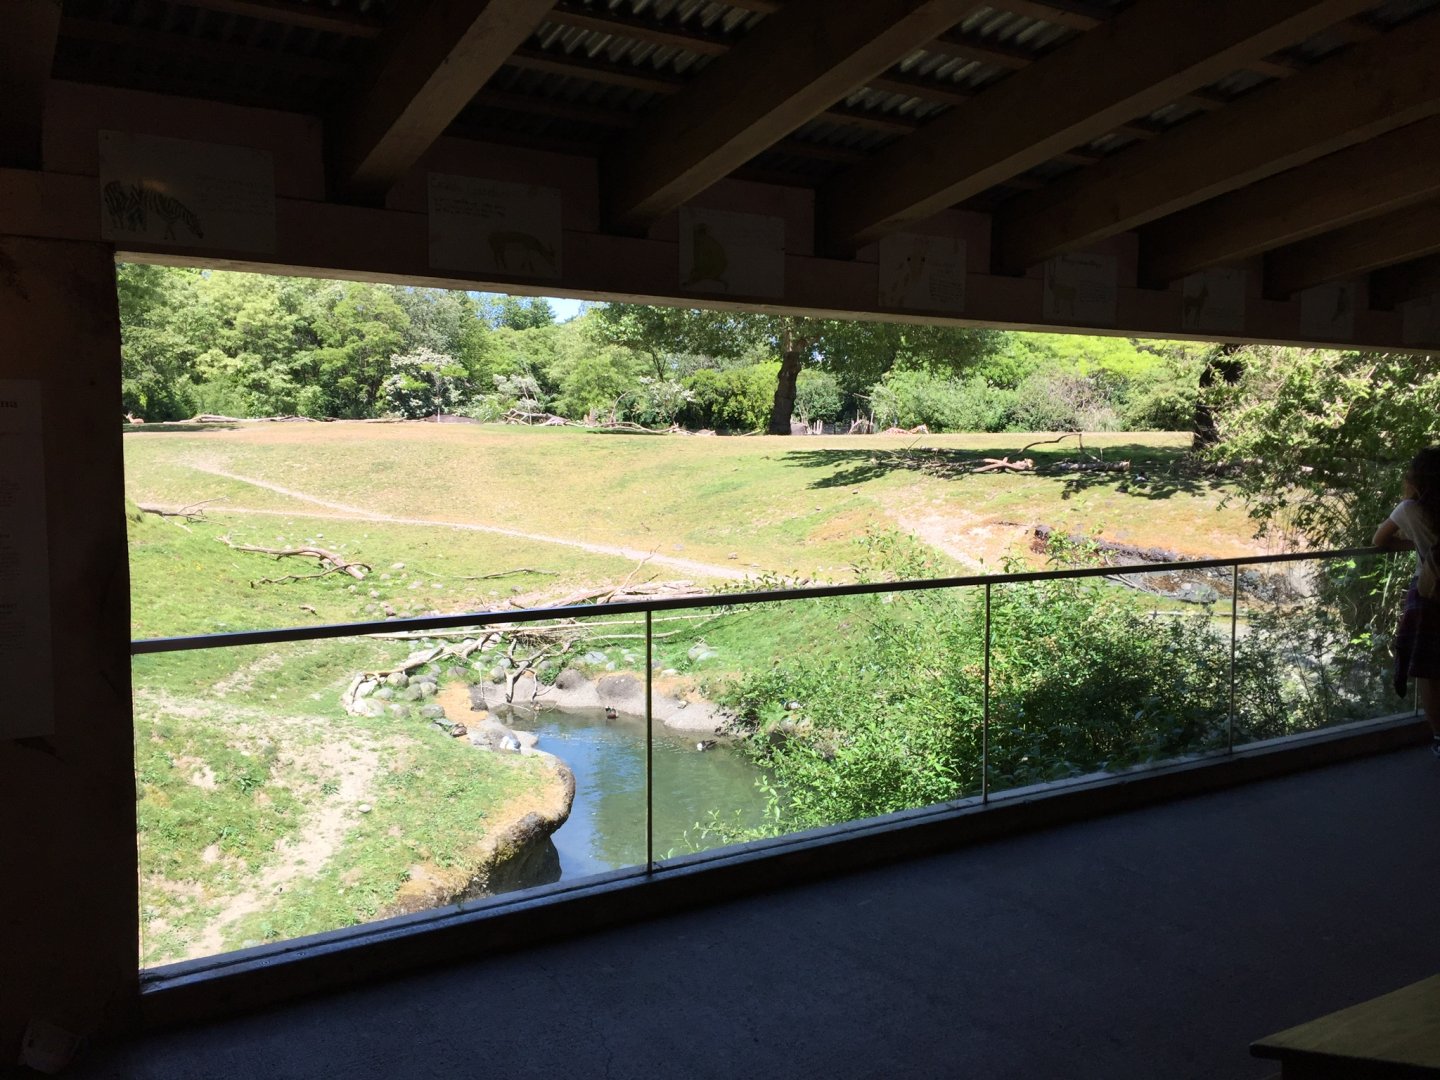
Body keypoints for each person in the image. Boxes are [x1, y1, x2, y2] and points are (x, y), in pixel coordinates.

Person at [1373, 446, 1440, 756]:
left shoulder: (1409, 510)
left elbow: (1379, 540)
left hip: (1430, 594)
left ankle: (1439, 737)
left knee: (1429, 671)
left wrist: (1411, 538)